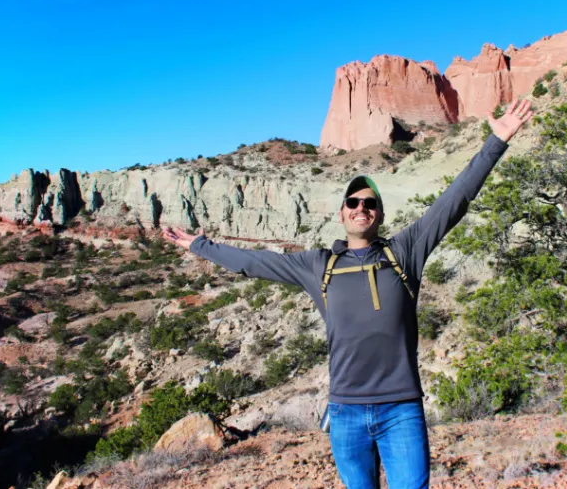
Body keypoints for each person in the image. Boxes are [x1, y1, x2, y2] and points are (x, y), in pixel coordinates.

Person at [163, 99, 533, 489]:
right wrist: (200, 246)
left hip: (402, 409)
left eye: (370, 203)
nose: (362, 208)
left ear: (380, 214)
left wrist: (497, 141)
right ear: (341, 213)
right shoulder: (316, 265)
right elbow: (252, 262)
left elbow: (454, 200)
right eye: (353, 202)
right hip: (345, 412)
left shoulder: (404, 251)